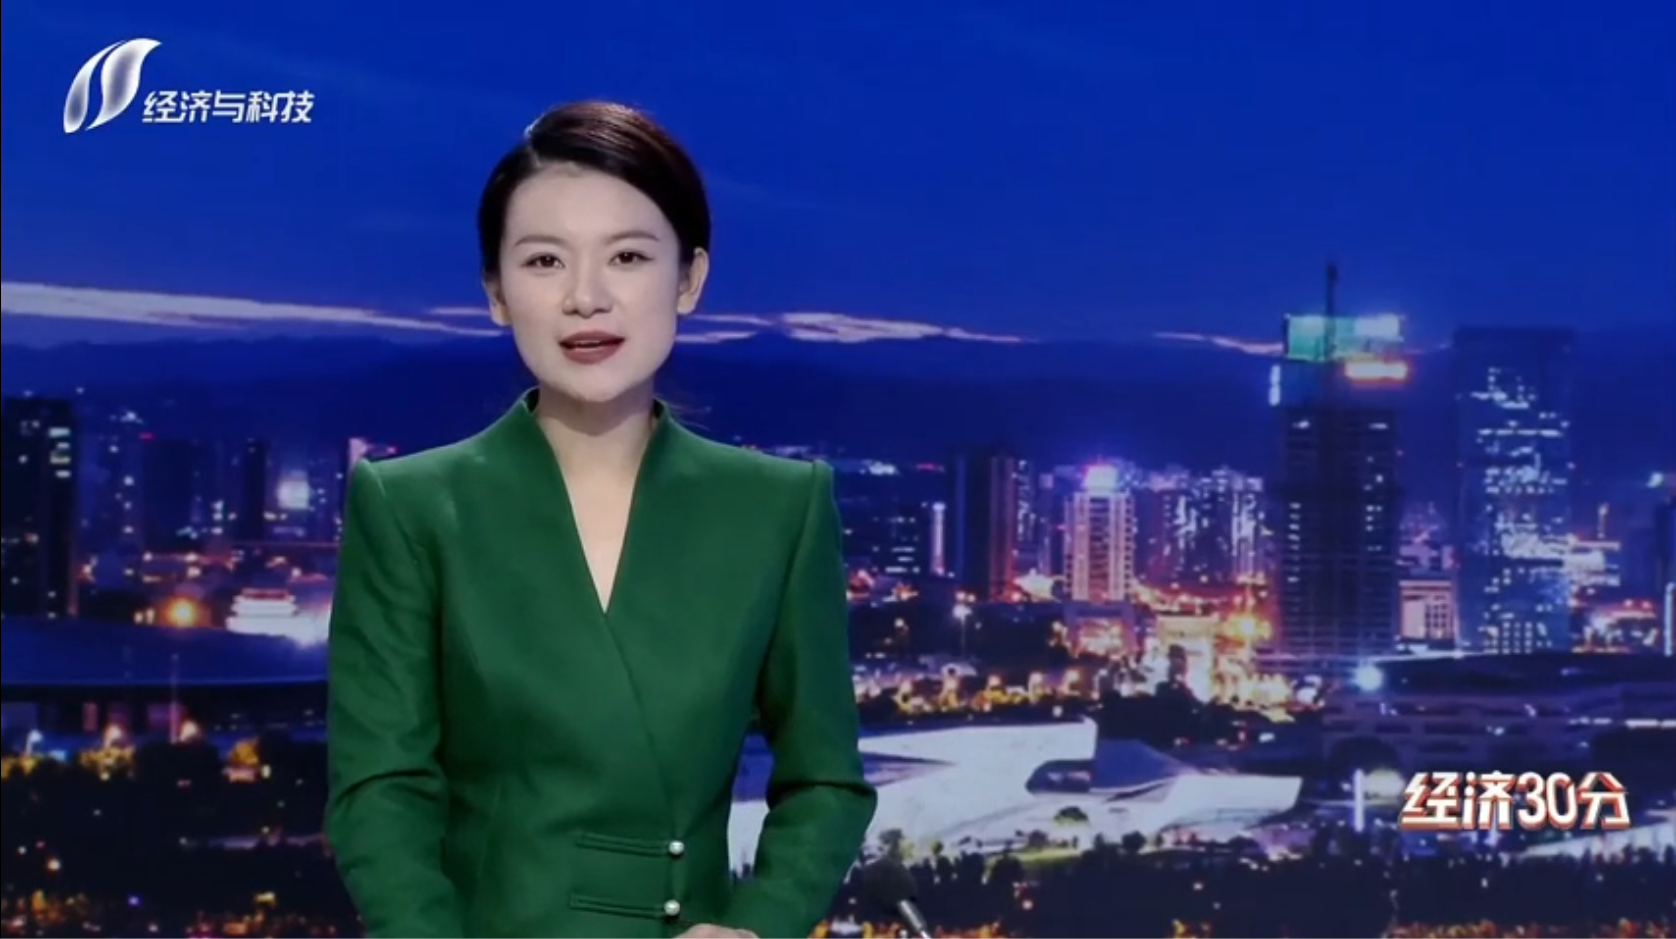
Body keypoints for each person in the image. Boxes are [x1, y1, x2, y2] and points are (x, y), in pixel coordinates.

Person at [325, 100, 878, 938]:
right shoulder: (410, 506)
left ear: (688, 278)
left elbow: (825, 780)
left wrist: (759, 925)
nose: (585, 297)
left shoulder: (780, 508)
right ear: (496, 290)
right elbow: (381, 788)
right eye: (545, 260)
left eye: (627, 256)